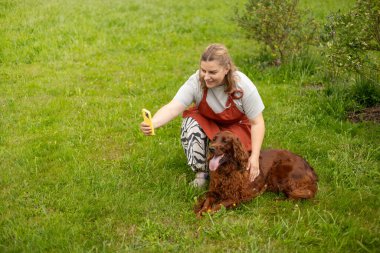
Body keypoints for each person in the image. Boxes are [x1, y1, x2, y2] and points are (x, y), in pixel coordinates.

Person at [140, 43, 265, 187]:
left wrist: (255, 157)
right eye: (203, 70)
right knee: (190, 123)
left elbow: (257, 123)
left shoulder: (243, 86)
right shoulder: (196, 82)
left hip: (237, 129)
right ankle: (202, 174)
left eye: (212, 72)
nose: (206, 77)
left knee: (238, 164)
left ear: (226, 69)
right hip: (209, 123)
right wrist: (153, 123)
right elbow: (174, 106)